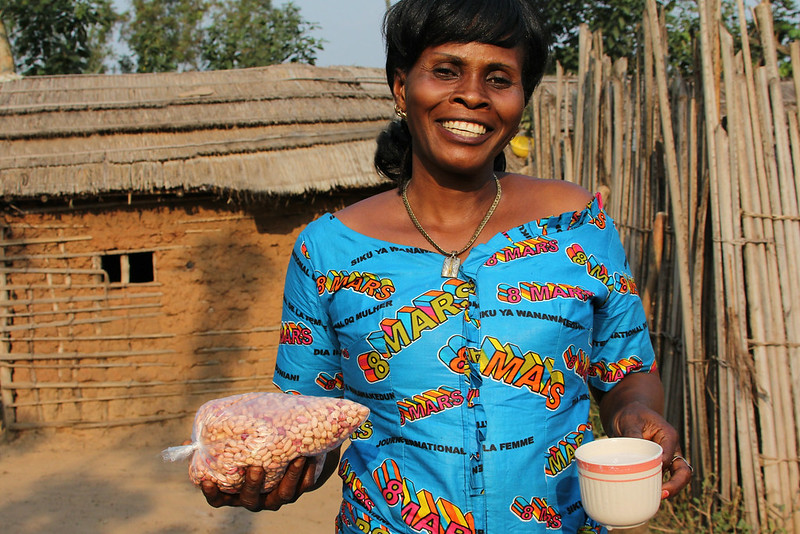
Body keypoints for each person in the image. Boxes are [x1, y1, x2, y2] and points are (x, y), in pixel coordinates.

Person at [198, 0, 693, 531]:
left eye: (499, 77)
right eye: (446, 70)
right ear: (400, 86)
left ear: (520, 99)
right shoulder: (327, 250)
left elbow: (627, 371)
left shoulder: (578, 225)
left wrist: (635, 415)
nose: (473, 94)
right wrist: (274, 474)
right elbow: (309, 428)